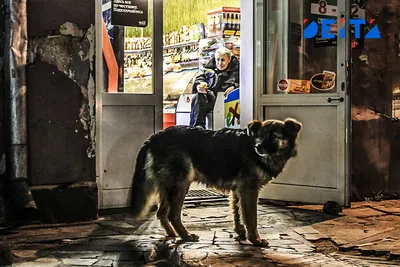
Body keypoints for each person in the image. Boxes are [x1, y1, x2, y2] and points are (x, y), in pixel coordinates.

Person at [189, 47, 239, 128]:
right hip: (210, 101)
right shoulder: (208, 70)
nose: (219, 63)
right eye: (217, 59)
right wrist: (199, 85)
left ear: (229, 60)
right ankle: (197, 129)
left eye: (223, 60)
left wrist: (234, 87)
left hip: (227, 105)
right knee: (198, 96)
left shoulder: (238, 71)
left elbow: (246, 83)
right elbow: (199, 78)